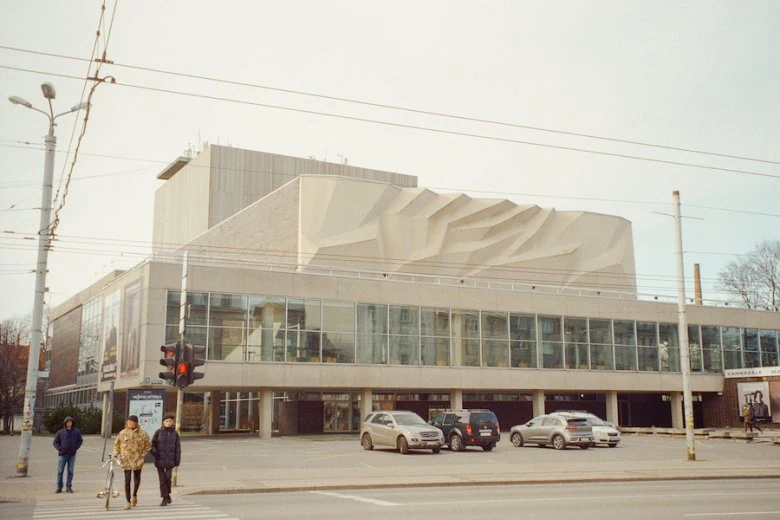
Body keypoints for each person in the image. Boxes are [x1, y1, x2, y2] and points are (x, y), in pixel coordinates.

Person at [114, 415, 151, 510]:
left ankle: (134, 494)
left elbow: (148, 445)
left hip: (137, 460)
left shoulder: (142, 433)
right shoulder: (123, 433)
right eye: (128, 421)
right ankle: (128, 501)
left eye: (132, 421)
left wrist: (142, 455)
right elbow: (117, 445)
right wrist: (115, 453)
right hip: (126, 460)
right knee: (127, 480)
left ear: (136, 423)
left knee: (137, 479)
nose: (129, 423)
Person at [151, 414, 181, 507]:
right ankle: (164, 498)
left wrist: (177, 460)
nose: (168, 423)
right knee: (162, 480)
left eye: (170, 421)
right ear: (163, 422)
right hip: (160, 460)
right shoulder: (158, 432)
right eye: (166, 421)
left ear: (172, 423)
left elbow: (178, 447)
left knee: (168, 478)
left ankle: (167, 494)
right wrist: (154, 452)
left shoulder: (175, 433)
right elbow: (152, 444)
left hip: (170, 461)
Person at [52, 416, 83, 493]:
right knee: (60, 471)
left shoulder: (76, 432)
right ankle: (59, 487)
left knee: (70, 471)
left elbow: (80, 441)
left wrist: (75, 447)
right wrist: (60, 448)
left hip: (72, 455)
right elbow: (55, 442)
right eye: (68, 422)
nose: (69, 423)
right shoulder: (60, 432)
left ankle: (68, 486)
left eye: (70, 422)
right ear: (65, 423)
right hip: (62, 455)